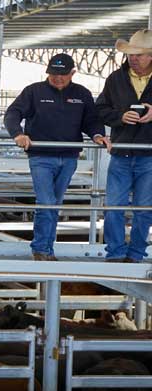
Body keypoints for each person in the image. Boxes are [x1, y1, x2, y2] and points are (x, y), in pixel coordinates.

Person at [5, 54, 109, 261]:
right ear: (47, 72)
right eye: (53, 74)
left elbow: (90, 120)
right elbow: (13, 113)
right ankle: (43, 250)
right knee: (46, 202)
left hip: (69, 157)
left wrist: (97, 135)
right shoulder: (34, 91)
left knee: (55, 203)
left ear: (72, 73)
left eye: (62, 74)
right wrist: (18, 133)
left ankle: (44, 248)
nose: (58, 78)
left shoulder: (82, 94)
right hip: (41, 156)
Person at [98, 29, 152, 262]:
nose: (133, 58)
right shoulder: (115, 79)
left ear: (151, 56)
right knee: (114, 207)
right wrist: (121, 116)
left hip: (149, 156)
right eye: (131, 54)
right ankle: (116, 252)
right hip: (121, 154)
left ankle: (136, 254)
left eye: (138, 54)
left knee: (144, 209)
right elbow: (100, 109)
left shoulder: (117, 79)